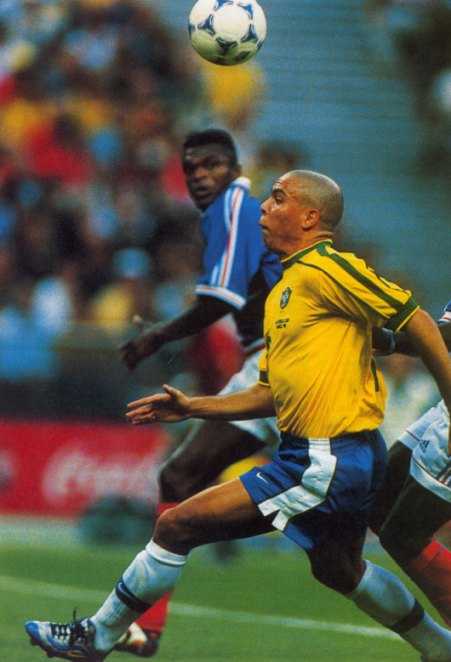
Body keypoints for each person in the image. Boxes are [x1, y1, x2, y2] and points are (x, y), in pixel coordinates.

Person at [25, 170, 451, 661]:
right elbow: (270, 394)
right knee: (338, 567)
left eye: (279, 199)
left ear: (310, 217)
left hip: (325, 458)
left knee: (176, 525)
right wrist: (194, 406)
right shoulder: (286, 291)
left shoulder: (328, 268)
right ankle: (439, 648)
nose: (265, 208)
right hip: (330, 455)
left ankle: (96, 636)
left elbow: (417, 321)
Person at [116, 128, 281, 656]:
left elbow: (220, 299)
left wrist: (156, 336)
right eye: (191, 168)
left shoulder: (233, 208)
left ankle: (146, 625)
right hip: (271, 360)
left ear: (236, 169)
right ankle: (146, 627)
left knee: (181, 477)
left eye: (212, 164)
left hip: (282, 360)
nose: (201, 176)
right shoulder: (238, 214)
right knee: (341, 556)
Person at [370, 300, 451, 625]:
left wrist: (388, 339)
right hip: (445, 406)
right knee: (378, 501)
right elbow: (439, 335)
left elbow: (443, 336)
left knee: (403, 535)